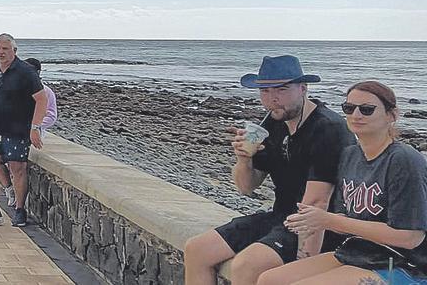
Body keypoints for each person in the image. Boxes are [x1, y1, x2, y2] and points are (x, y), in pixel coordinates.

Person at [182, 55, 354, 285]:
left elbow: (316, 203)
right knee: (197, 249)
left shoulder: (328, 129)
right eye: (265, 91)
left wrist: (303, 263)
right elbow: (246, 187)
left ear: (303, 88)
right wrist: (244, 159)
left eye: (281, 89)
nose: (272, 99)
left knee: (247, 264)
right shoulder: (272, 124)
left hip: (321, 226)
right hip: (280, 216)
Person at [261, 81, 427, 285]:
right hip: (358, 251)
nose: (356, 115)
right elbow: (345, 219)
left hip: (403, 263)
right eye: (349, 108)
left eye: (367, 110)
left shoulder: (403, 160)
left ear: (391, 115)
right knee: (270, 279)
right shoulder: (350, 155)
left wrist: (329, 220)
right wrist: (311, 219)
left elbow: (410, 237)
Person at [0, 34, 50, 228]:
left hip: (17, 130)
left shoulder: (26, 72)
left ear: (14, 51)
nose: (1, 52)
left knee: (17, 168)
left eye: (5, 49)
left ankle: (19, 209)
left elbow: (42, 100)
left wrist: (35, 127)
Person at [26, 58, 59, 137]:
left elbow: (51, 116)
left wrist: (34, 126)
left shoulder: (46, 92)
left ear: (37, 72)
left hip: (33, 133)